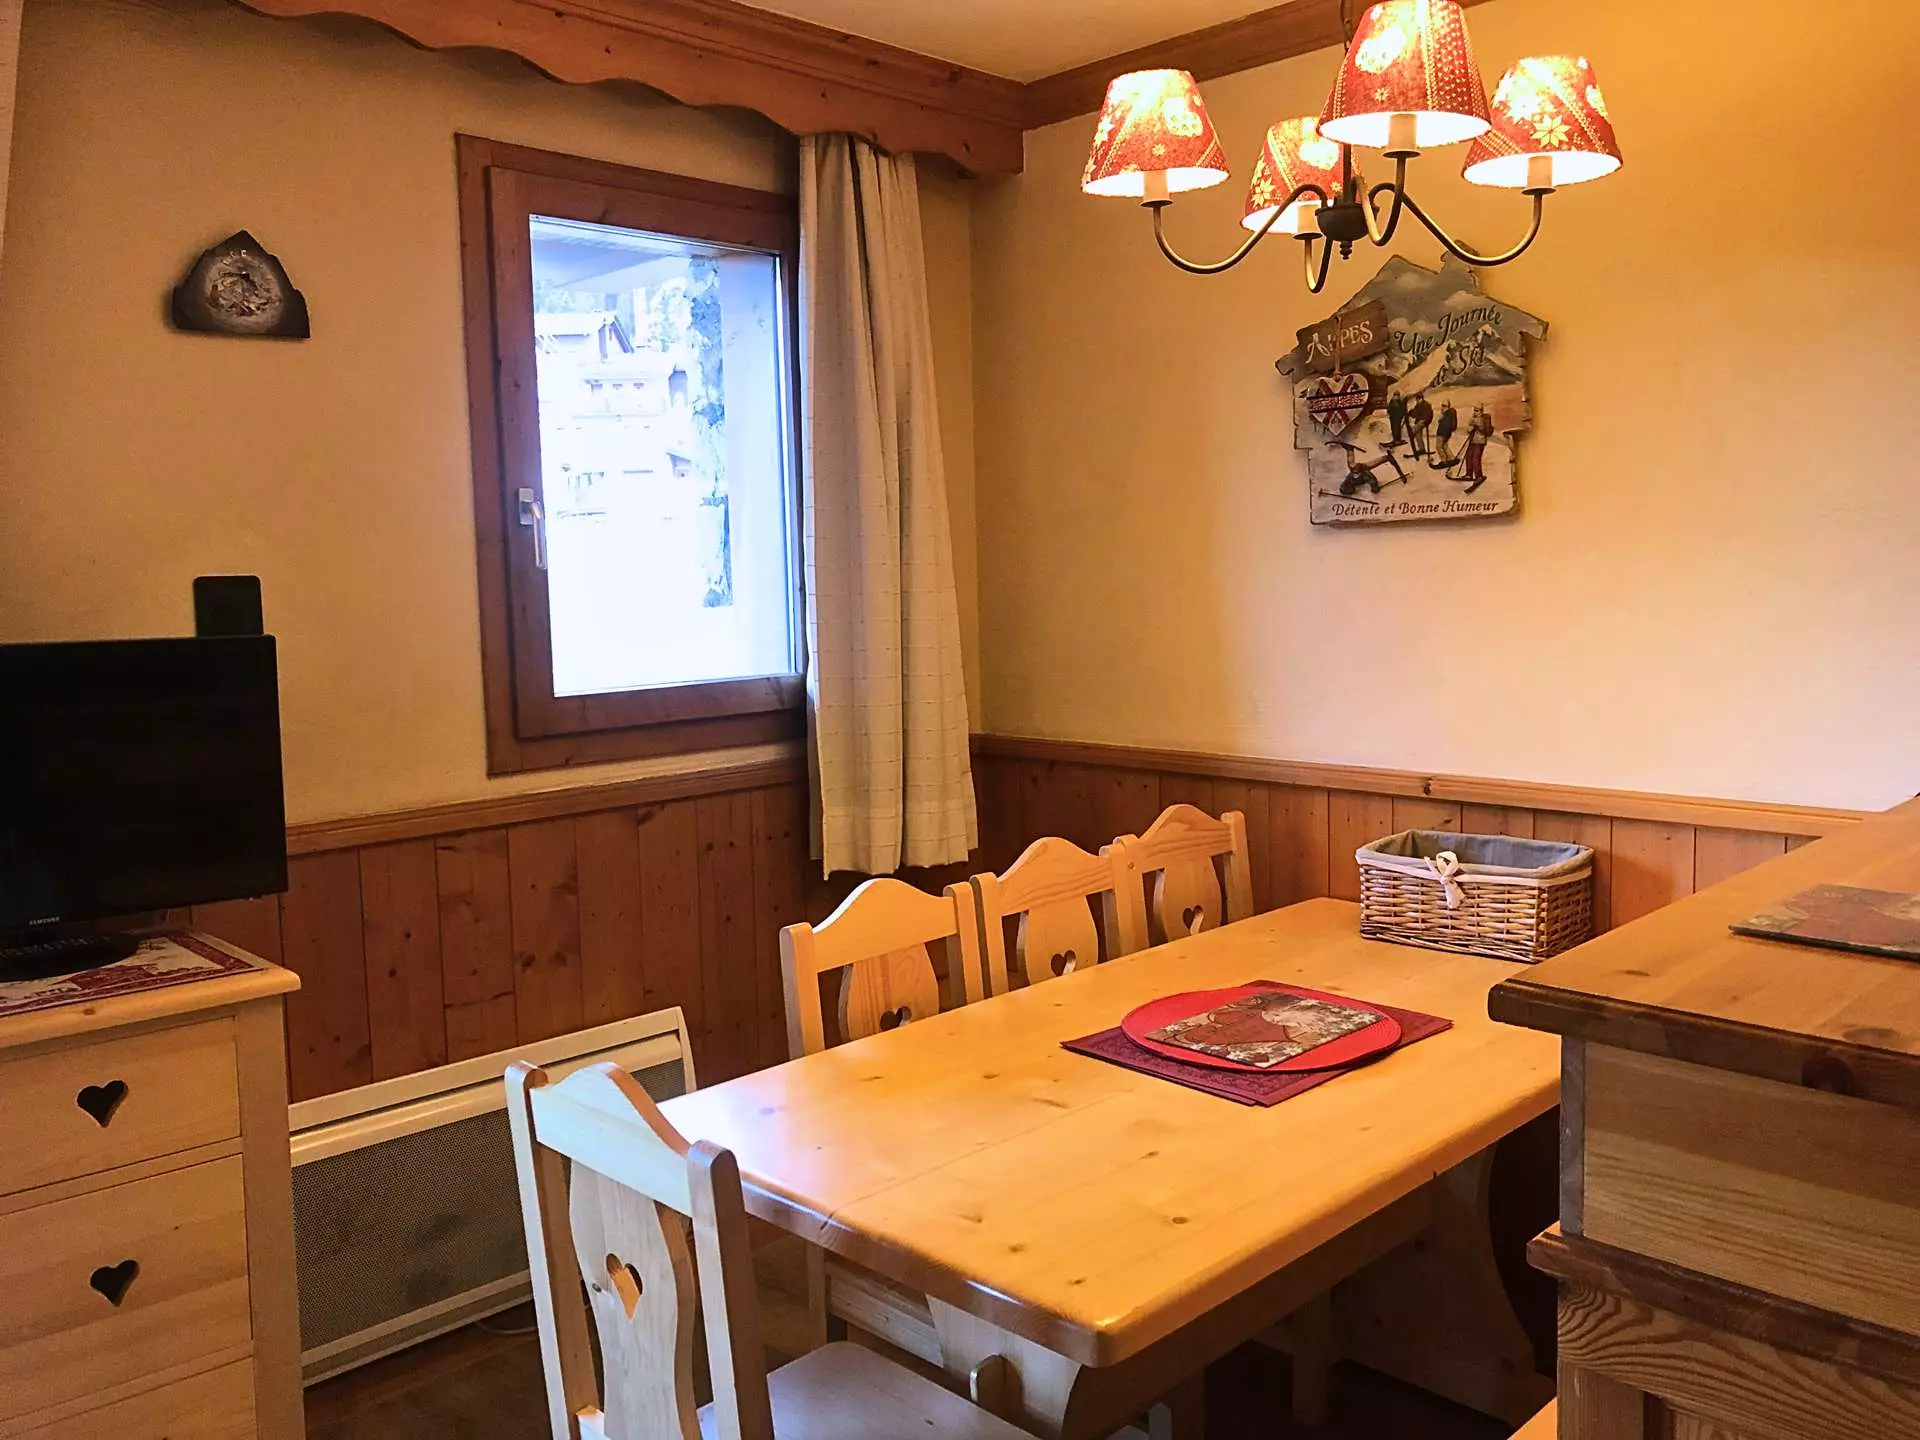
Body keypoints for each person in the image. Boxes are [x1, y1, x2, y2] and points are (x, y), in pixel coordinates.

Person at [1460, 406, 1494, 493]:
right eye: (1474, 410)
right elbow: (1468, 430)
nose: (1475, 412)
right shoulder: (1473, 419)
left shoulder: (1484, 419)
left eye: (1477, 410)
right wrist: (1471, 426)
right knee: (1468, 457)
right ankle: (1469, 474)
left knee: (1476, 459)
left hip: (1480, 442)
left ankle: (1478, 476)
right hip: (1472, 441)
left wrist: (1478, 424)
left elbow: (1484, 430)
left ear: (1481, 411)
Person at [1433, 401, 1460, 466]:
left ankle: (1444, 460)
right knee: (1445, 446)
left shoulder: (1447, 415)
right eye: (1442, 405)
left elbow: (1444, 425)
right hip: (1446, 433)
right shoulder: (1449, 414)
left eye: (1444, 406)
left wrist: (1441, 418)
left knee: (1438, 447)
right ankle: (1451, 458)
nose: (1442, 407)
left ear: (1447, 407)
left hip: (1442, 433)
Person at [1408, 395, 1434, 459]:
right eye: (1417, 399)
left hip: (1424, 420)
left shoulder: (1426, 405)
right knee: (1418, 435)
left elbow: (1428, 415)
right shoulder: (1418, 405)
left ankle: (1412, 433)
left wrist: (1426, 420)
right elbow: (1415, 414)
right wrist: (1411, 412)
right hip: (1419, 420)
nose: (1418, 401)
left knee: (1414, 429)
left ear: (1422, 399)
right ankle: (1422, 449)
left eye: (1419, 399)